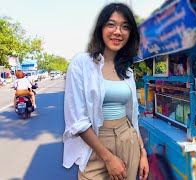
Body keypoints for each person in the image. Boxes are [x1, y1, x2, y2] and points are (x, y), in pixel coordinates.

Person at [63, 3, 149, 180]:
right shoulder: (82, 63)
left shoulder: (127, 70)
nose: (118, 31)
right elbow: (77, 120)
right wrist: (108, 158)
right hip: (96, 144)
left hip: (128, 139)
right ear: (100, 28)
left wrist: (142, 152)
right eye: (111, 24)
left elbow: (133, 115)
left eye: (125, 27)